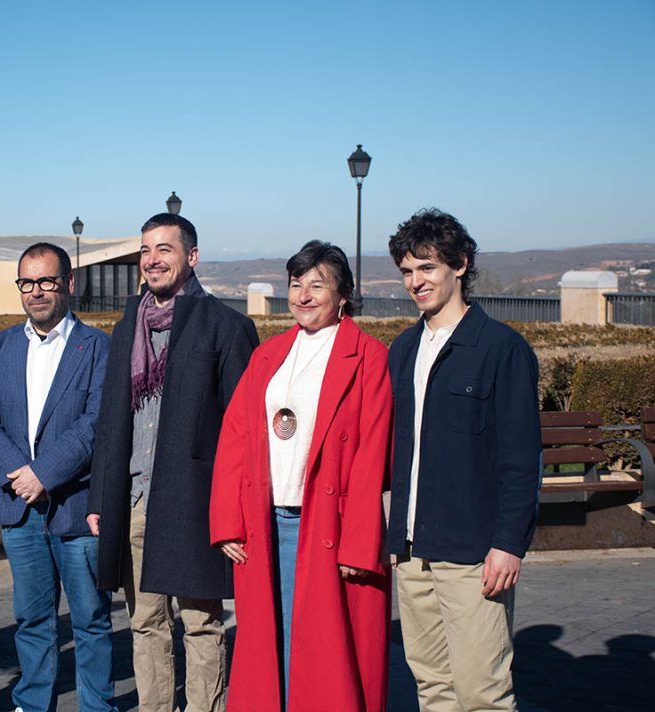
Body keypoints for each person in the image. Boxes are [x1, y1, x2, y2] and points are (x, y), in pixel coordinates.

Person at [209, 241, 392, 712]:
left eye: (317, 285)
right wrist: (228, 521)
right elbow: (235, 437)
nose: (303, 296)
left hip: (327, 523)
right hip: (265, 522)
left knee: (319, 656)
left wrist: (360, 542)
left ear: (344, 295)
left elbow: (373, 454)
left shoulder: (369, 357)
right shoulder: (269, 354)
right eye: (296, 285)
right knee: (269, 646)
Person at [87, 212, 259, 712]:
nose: (152, 259)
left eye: (164, 249)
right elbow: (111, 420)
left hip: (195, 503)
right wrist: (101, 498)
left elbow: (244, 431)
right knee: (144, 623)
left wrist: (235, 510)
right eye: (146, 250)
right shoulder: (127, 327)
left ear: (192, 256)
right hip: (135, 500)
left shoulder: (226, 327)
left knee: (201, 624)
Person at [385, 209, 542, 711]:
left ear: (460, 265)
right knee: (432, 687)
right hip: (413, 553)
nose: (416, 281)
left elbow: (522, 460)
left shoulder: (502, 349)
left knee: (482, 694)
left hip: (473, 554)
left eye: (427, 267)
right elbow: (398, 452)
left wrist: (509, 544)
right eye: (407, 271)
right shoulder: (403, 349)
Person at [0, 242, 116, 712]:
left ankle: (97, 705)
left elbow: (97, 421)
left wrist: (44, 474)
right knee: (32, 620)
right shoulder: (1, 346)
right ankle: (33, 704)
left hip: (76, 506)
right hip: (20, 509)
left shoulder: (97, 347)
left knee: (91, 619)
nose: (36, 292)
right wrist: (22, 477)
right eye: (27, 283)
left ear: (68, 283)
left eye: (46, 281)